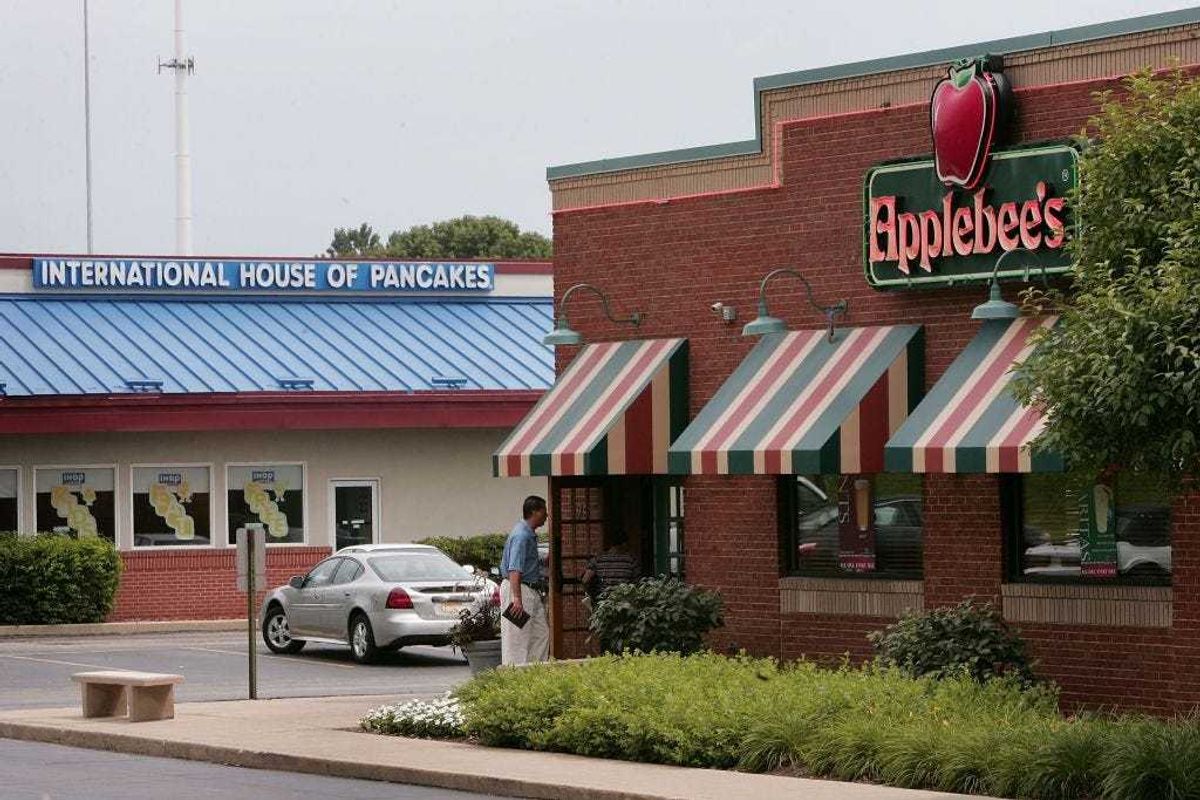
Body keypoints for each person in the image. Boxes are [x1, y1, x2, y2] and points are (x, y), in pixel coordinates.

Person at [499, 495, 549, 665]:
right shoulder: (521, 535)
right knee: (516, 639)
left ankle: (534, 675)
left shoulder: (527, 534)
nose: (546, 515)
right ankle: (514, 681)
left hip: (529, 589)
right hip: (519, 589)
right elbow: (514, 568)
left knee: (541, 635)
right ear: (534, 512)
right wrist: (517, 599)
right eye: (544, 511)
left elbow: (525, 563)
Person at [580, 536, 641, 611]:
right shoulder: (631, 560)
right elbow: (637, 583)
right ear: (624, 544)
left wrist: (592, 596)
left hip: (603, 602)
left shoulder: (598, 559)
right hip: (624, 603)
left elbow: (586, 580)